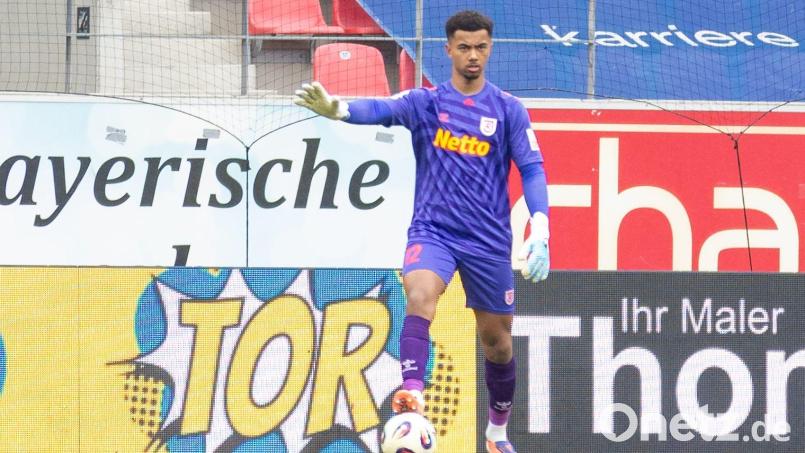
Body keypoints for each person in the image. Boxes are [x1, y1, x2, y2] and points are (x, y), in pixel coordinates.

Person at [293, 10, 549, 453]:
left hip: (488, 241)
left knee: (498, 343)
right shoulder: (427, 103)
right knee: (419, 293)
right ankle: (412, 393)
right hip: (434, 232)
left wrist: (539, 228)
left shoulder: (508, 109)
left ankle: (496, 432)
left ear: (490, 48)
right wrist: (340, 109)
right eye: (464, 47)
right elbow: (382, 109)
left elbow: (532, 169)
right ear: (448, 50)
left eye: (480, 47)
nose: (473, 55)